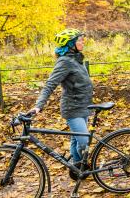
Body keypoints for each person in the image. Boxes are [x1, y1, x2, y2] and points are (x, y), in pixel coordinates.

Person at [29, 29, 94, 179]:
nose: (82, 42)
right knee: (84, 142)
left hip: (84, 106)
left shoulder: (77, 59)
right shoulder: (65, 62)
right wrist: (39, 105)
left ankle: (79, 172)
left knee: (75, 140)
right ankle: (82, 167)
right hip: (73, 108)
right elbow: (50, 84)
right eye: (79, 40)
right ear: (70, 44)